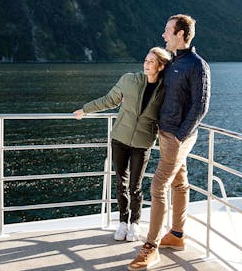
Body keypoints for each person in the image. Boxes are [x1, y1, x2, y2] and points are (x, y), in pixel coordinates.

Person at [128, 14, 211, 271]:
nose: (163, 35)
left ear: (181, 34)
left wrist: (180, 136)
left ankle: (151, 247)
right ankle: (176, 235)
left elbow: (201, 105)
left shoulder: (197, 65)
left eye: (167, 31)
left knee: (158, 185)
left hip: (178, 136)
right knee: (179, 182)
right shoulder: (173, 62)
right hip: (165, 133)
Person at [73, 47, 171, 242]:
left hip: (142, 143)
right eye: (146, 60)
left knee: (135, 186)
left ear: (161, 66)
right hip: (120, 139)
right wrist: (85, 110)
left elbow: (168, 115)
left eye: (151, 61)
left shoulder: (165, 89)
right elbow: (109, 100)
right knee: (121, 184)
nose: (146, 64)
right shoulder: (129, 80)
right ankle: (123, 222)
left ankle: (135, 223)